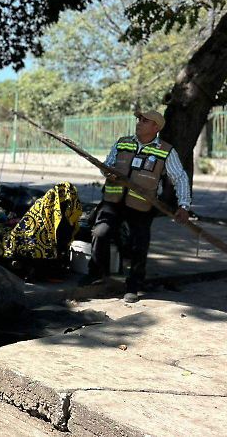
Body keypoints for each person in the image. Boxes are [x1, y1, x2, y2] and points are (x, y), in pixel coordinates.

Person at [81, 110, 190, 303]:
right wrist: (108, 172)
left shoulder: (165, 150)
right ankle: (97, 273)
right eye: (139, 119)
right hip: (113, 200)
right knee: (100, 233)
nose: (139, 122)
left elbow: (180, 177)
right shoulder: (123, 142)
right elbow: (107, 163)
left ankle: (133, 285)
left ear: (156, 127)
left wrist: (183, 205)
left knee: (138, 243)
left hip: (141, 205)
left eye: (145, 120)